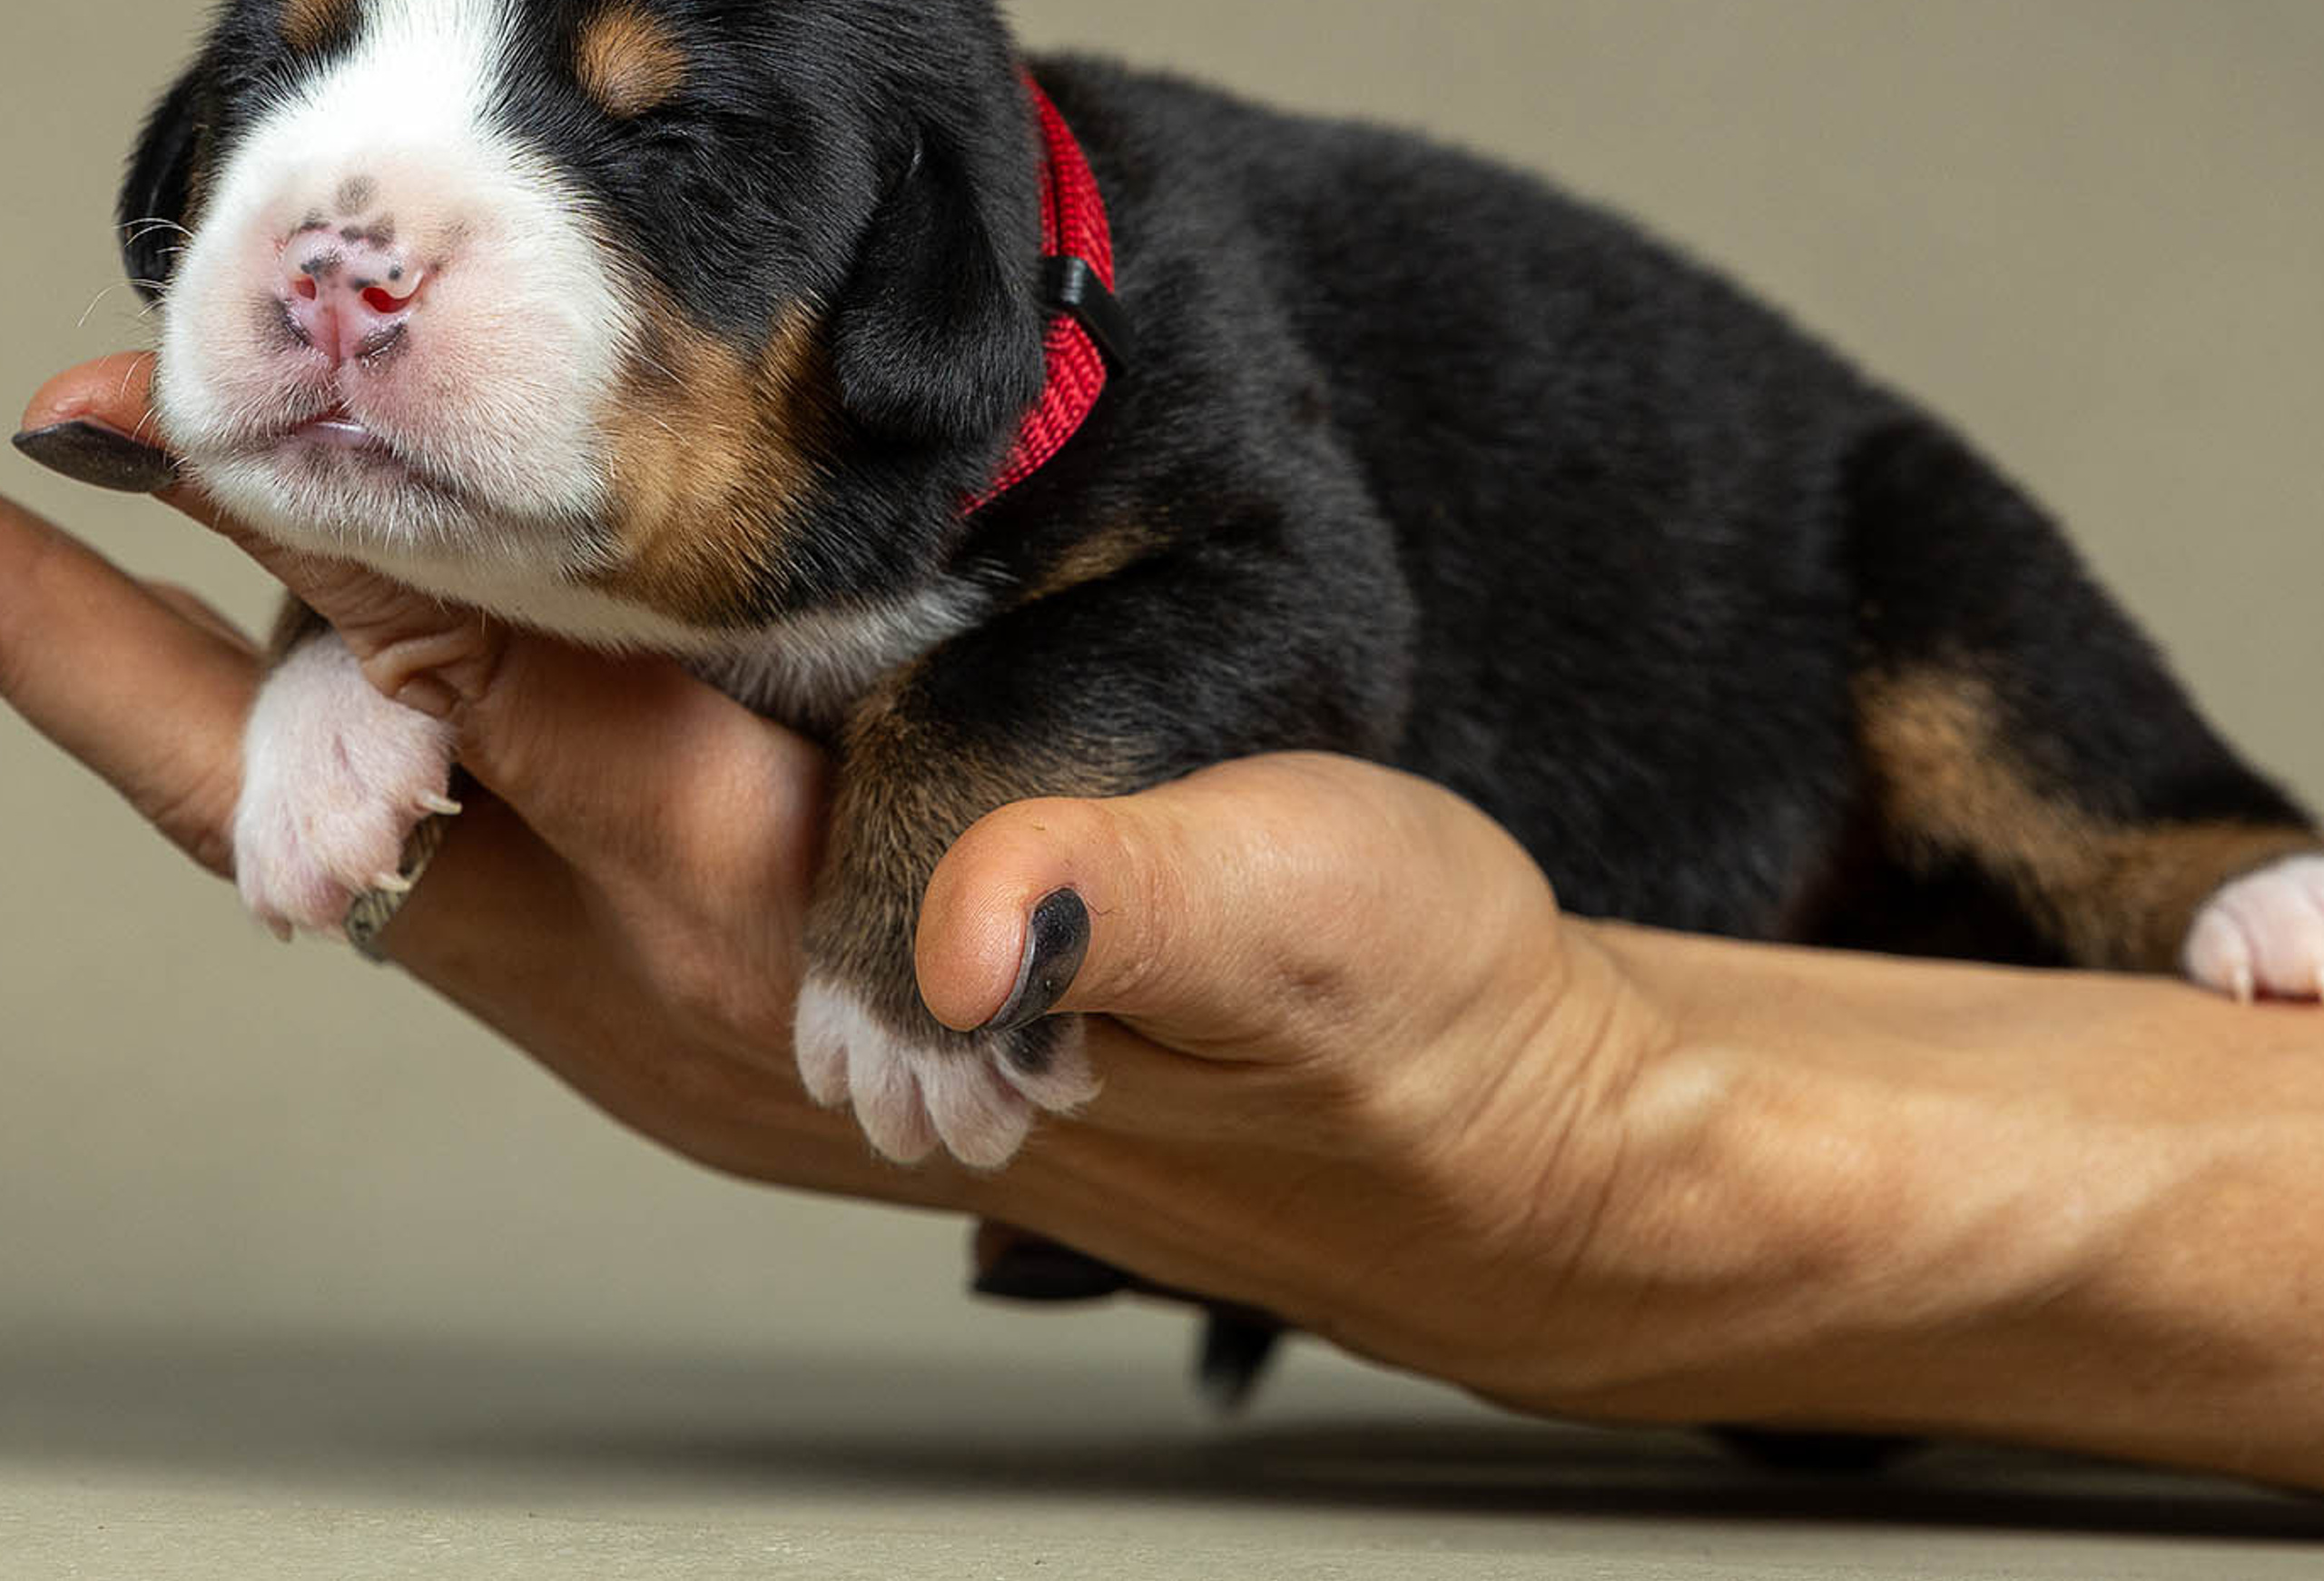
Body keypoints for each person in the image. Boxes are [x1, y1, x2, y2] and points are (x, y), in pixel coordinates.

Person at [6, 350, 2323, 1494]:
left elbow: (1220, 611)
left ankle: (2193, 840)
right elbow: (587, 590)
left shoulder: (1110, 365)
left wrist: (1606, 1151)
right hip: (1631, 960)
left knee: (1940, 599)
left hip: (1760, 711)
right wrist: (357, 645)